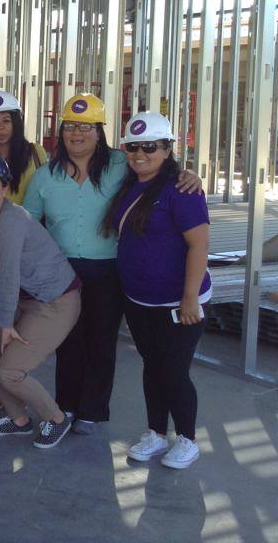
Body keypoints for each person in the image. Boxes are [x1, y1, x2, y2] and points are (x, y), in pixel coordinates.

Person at [23, 94, 203, 436]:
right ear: (61, 132)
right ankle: (67, 406)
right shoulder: (45, 176)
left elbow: (158, 168)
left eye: (86, 127)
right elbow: (28, 224)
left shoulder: (122, 164)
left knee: (102, 341)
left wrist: (188, 174)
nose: (77, 134)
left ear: (99, 131)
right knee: (68, 341)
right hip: (62, 273)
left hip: (108, 271)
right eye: (70, 126)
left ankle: (93, 410)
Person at [104, 112, 211, 470]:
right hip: (139, 299)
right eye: (133, 147)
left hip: (178, 302)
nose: (140, 154)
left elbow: (199, 245)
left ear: (167, 149)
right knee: (152, 366)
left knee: (174, 370)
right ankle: (156, 433)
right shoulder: (129, 185)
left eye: (150, 147)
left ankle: (187, 439)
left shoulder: (183, 190)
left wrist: (190, 298)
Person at [0, 152, 82, 450]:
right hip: (22, 301)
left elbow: (9, 273)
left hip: (55, 301)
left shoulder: (13, 219)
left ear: (5, 188)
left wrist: (6, 324)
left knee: (10, 371)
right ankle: (18, 418)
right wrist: (2, 317)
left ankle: (56, 419)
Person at [0, 91, 47, 410]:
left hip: (28, 246)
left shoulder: (35, 153)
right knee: (0, 312)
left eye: (6, 121)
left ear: (16, 122)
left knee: (25, 313)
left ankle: (14, 376)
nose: (1, 128)